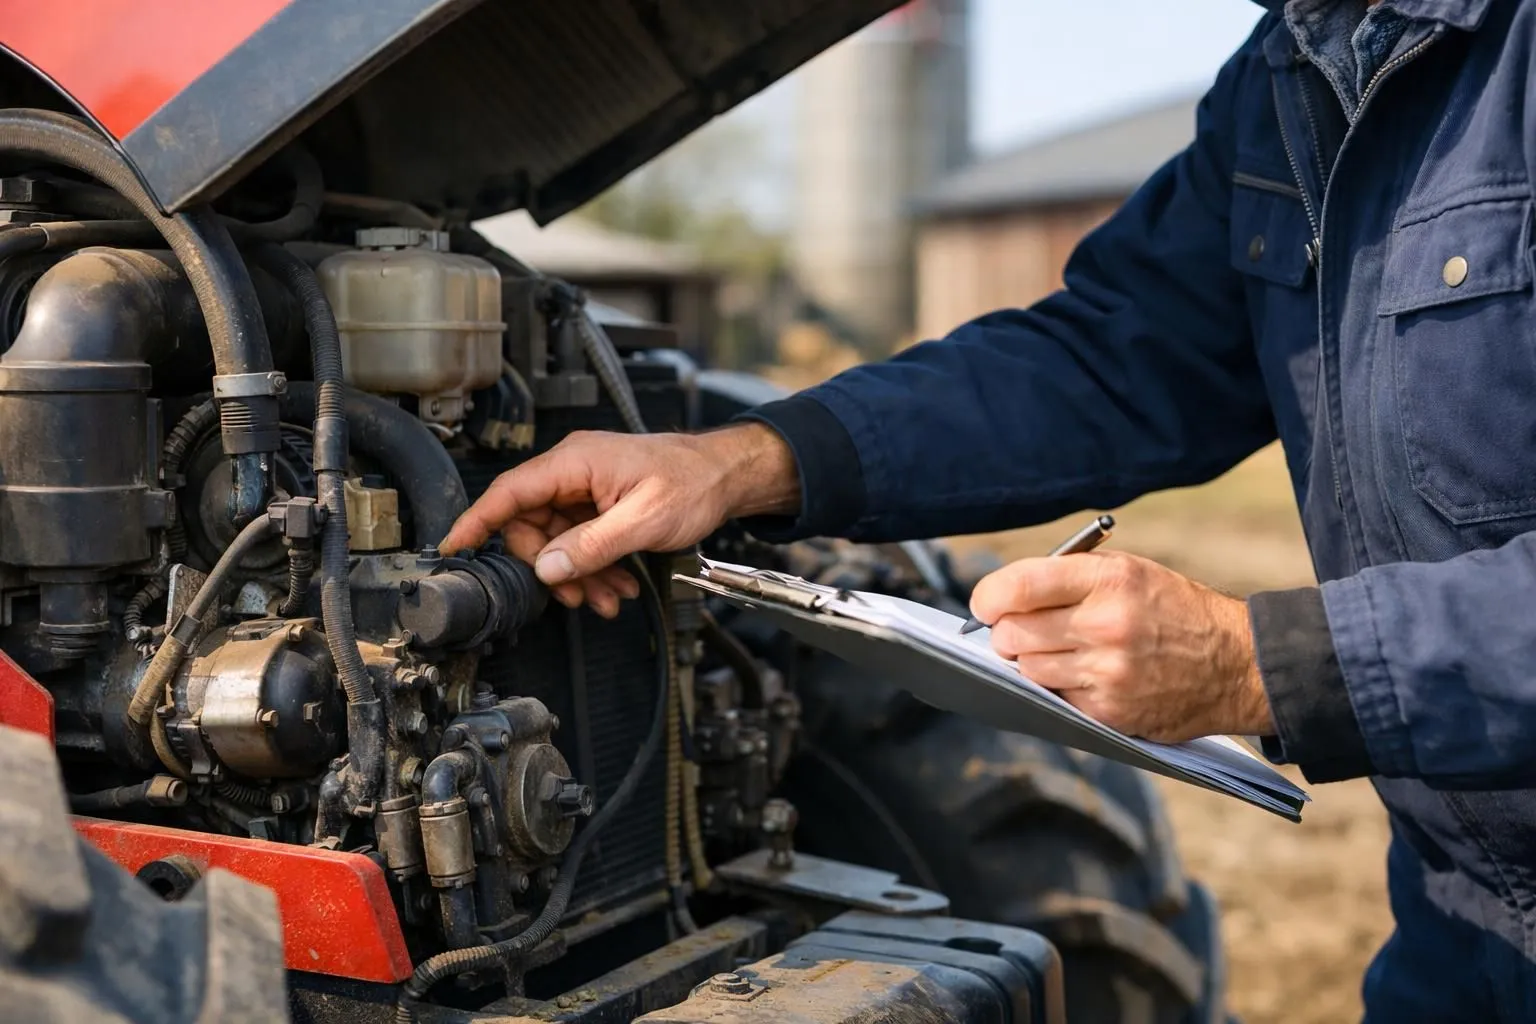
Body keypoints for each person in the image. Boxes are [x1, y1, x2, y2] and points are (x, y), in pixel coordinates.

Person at [442, 1, 1536, 1018]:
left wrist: (1257, 660)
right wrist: (741, 459)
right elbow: (1107, 359)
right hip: (1463, 923)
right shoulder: (1294, 78)